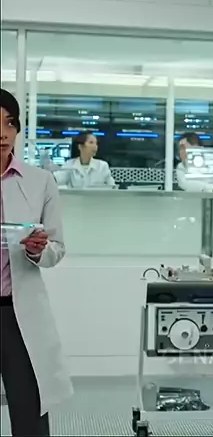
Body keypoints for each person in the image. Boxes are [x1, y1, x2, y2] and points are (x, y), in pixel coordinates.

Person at [0, 88, 73, 436]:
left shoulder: (40, 181)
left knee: (29, 412)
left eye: (9, 123)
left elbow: (57, 248)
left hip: (18, 314)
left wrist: (36, 250)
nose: (2, 133)